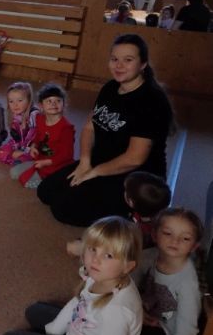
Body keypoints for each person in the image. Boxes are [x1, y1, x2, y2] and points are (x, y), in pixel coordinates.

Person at [0, 217, 143, 335]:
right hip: (84, 330)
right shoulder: (104, 274)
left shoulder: (116, 312)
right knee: (33, 311)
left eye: (108, 255)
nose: (95, 259)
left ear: (128, 266)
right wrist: (54, 329)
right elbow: (79, 301)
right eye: (93, 249)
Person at [37, 34, 173, 227]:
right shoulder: (110, 88)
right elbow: (89, 127)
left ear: (143, 64)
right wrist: (85, 162)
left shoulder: (152, 101)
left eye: (128, 60)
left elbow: (135, 158)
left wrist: (95, 172)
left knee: (62, 208)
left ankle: (137, 212)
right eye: (114, 59)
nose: (119, 65)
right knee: (46, 191)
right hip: (102, 160)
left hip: (133, 176)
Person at [132, 208, 203, 335]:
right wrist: (137, 308)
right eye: (167, 233)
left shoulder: (188, 283)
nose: (175, 241)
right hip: (146, 309)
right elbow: (128, 281)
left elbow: (187, 325)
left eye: (185, 238)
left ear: (194, 246)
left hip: (165, 327)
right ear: (155, 235)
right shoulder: (149, 256)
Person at [66, 171, 171, 256]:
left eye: (126, 191)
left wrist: (86, 246)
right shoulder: (159, 215)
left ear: (131, 202)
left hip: (128, 253)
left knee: (78, 247)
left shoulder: (140, 232)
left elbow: (118, 247)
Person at [9, 84, 75, 189]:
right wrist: (33, 146)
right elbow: (38, 136)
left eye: (58, 101)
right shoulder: (40, 119)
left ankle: (50, 181)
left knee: (26, 182)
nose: (53, 104)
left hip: (57, 165)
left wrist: (46, 162)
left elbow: (66, 154)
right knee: (14, 173)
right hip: (41, 159)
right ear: (41, 105)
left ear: (64, 104)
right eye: (49, 101)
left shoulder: (66, 128)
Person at [0, 82, 38, 166]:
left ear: (29, 100)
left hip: (32, 146)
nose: (15, 105)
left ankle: (22, 160)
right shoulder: (14, 114)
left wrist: (24, 150)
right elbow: (15, 136)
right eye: (11, 101)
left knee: (31, 156)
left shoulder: (34, 115)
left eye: (20, 100)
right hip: (20, 143)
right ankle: (17, 160)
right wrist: (15, 149)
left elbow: (34, 137)